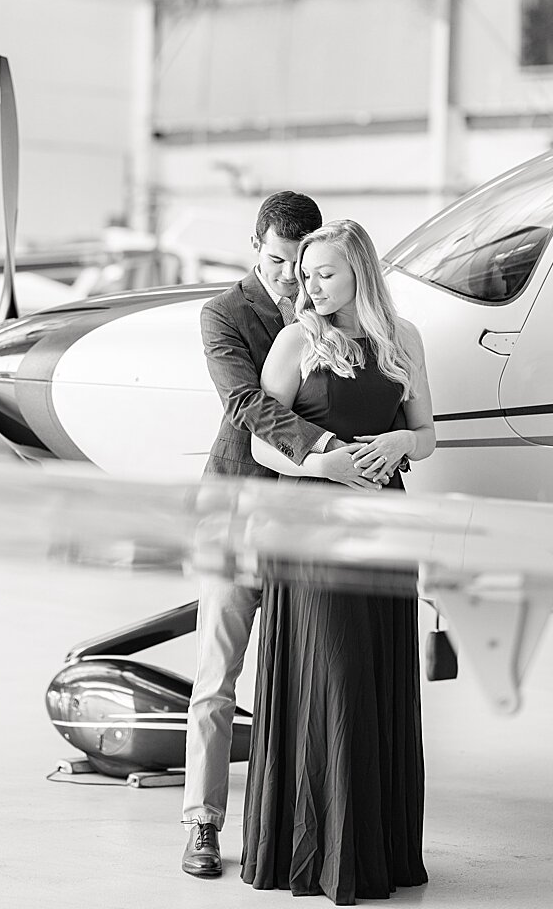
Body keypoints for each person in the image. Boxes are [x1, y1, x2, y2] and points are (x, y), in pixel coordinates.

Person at [182, 192, 386, 880]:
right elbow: (246, 405)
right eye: (276, 262)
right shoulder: (223, 314)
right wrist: (323, 449)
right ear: (254, 245)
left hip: (313, 519)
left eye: (301, 266)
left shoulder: (330, 308)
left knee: (306, 676)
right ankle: (202, 825)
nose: (289, 280)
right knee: (218, 672)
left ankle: (299, 827)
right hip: (240, 505)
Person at [242, 218, 435, 904]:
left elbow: (427, 433)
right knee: (339, 674)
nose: (308, 283)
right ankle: (321, 854)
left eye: (323, 272)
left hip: (386, 525)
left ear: (359, 270)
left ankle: (373, 853)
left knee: (379, 676)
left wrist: (398, 447)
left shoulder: (401, 338)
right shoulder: (297, 341)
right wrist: (318, 464)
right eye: (304, 273)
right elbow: (262, 444)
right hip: (316, 527)